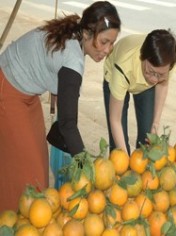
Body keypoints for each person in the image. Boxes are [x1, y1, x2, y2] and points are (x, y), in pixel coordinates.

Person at [0, 1, 121, 211]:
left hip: (27, 93)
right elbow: (67, 124)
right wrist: (85, 166)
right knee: (29, 180)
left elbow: (52, 61)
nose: (107, 50)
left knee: (37, 167)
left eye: (111, 43)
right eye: (104, 41)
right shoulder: (73, 61)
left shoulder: (75, 29)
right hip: (8, 90)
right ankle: (11, 223)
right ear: (87, 32)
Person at [103, 29, 176, 155]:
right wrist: (124, 161)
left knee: (148, 138)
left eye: (160, 75)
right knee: (118, 148)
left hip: (143, 86)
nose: (154, 79)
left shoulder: (167, 61)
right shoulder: (123, 66)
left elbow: (162, 86)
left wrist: (155, 125)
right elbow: (115, 120)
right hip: (118, 76)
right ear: (142, 57)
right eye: (150, 71)